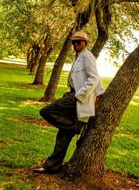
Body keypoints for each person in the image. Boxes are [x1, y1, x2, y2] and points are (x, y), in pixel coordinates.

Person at [34, 31, 104, 174]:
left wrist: (81, 95)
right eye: (73, 42)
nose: (75, 45)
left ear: (85, 43)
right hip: (73, 93)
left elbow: (94, 78)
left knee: (46, 111)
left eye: (78, 42)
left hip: (77, 96)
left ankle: (76, 127)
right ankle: (52, 166)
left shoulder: (87, 56)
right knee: (63, 136)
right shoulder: (78, 57)